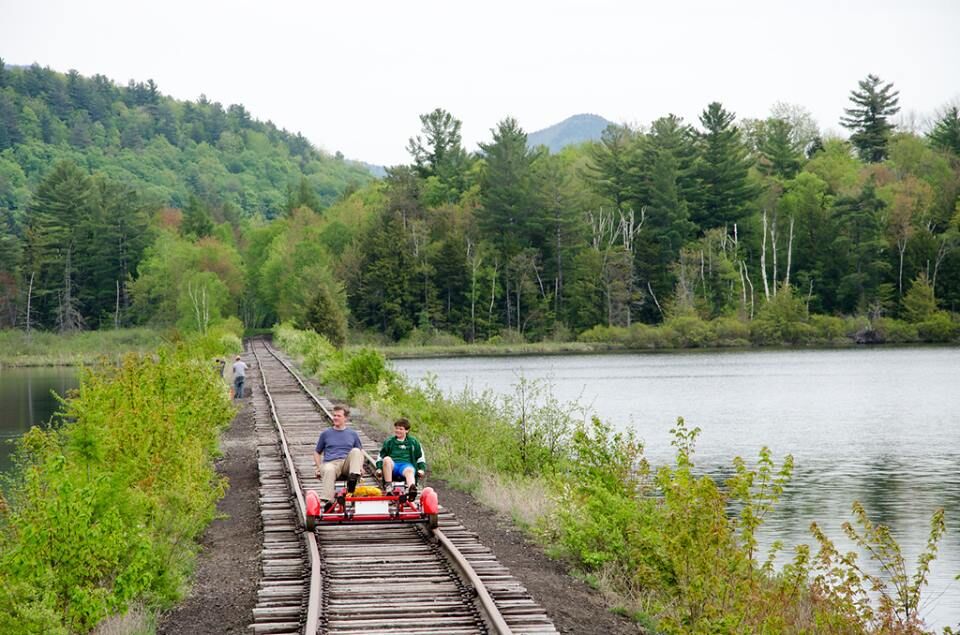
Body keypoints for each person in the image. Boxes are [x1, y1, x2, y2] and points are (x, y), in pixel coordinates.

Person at [314, 405, 364, 510]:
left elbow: (360, 452)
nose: (335, 418)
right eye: (334, 415)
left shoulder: (352, 434)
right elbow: (317, 452)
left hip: (346, 464)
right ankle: (329, 501)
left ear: (345, 418)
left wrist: (360, 466)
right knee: (328, 469)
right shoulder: (326, 434)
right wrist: (318, 467)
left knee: (355, 450)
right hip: (331, 463)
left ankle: (353, 480)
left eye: (338, 416)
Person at [375, 418, 426, 501]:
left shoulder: (413, 442)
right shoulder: (389, 442)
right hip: (393, 466)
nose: (398, 431)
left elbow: (420, 458)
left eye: (401, 429)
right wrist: (379, 469)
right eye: (396, 428)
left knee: (409, 470)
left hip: (406, 466)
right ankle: (388, 487)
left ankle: (412, 490)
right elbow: (380, 457)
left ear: (407, 430)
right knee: (387, 459)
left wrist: (422, 469)